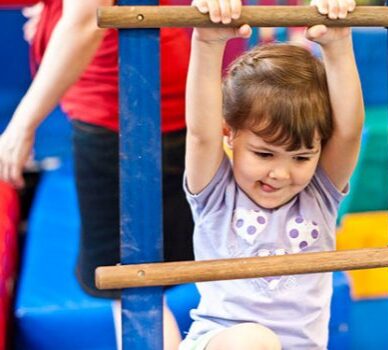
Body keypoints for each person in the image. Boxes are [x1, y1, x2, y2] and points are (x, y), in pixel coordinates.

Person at [0, 0, 194, 348]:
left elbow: (87, 22)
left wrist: (21, 124)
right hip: (139, 102)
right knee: (136, 284)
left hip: (128, 111)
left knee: (134, 287)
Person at [181, 0, 363, 348]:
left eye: (301, 157)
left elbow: (349, 132)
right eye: (264, 154)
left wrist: (338, 45)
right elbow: (201, 135)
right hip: (224, 341)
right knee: (255, 340)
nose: (280, 173)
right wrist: (207, 43)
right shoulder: (216, 194)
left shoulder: (318, 195)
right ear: (230, 133)